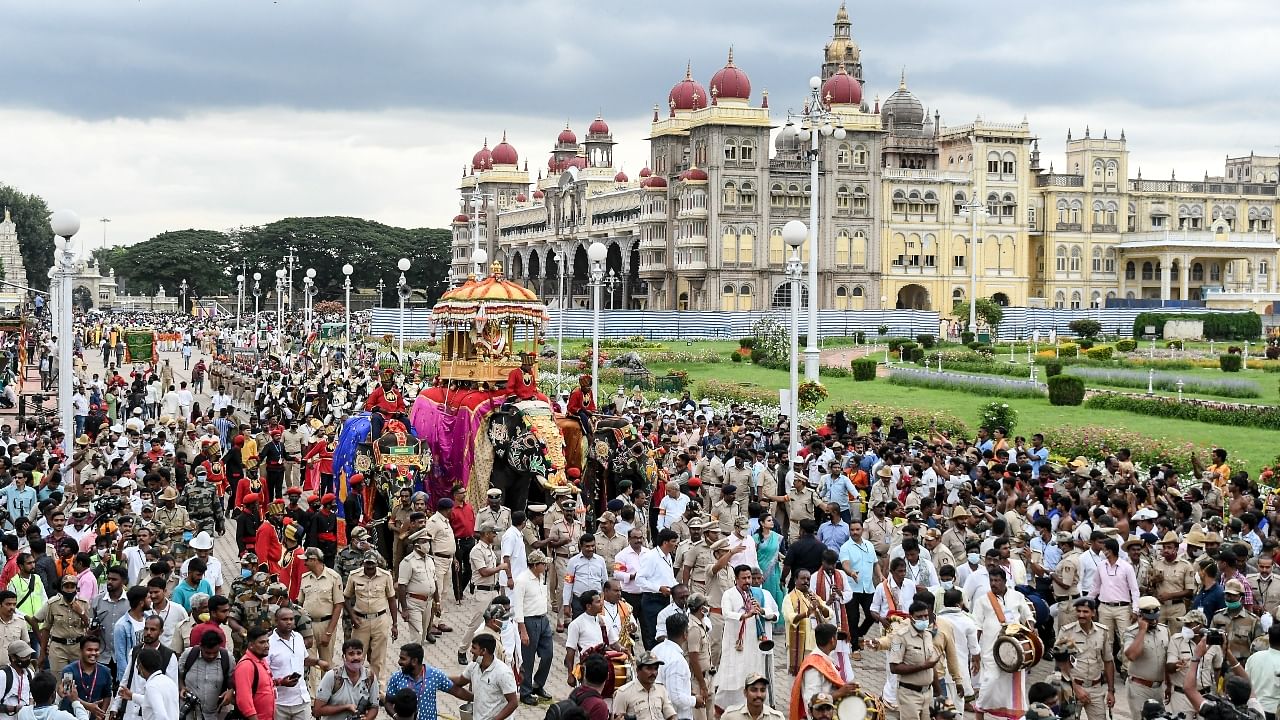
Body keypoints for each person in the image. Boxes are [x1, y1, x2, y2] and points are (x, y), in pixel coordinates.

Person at [715, 565, 778, 712]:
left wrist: (761, 611)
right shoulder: (729, 594)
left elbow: (775, 614)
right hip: (735, 643)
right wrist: (744, 615)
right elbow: (726, 613)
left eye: (749, 577)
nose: (748, 581)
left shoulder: (758, 594)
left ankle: (750, 707)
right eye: (744, 578)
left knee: (750, 674)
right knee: (732, 677)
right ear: (736, 579)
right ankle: (725, 709)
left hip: (753, 645)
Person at [973, 567, 1033, 720]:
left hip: (1015, 648)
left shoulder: (1017, 596)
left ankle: (1013, 716)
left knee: (1014, 683)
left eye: (997, 580)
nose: (993, 584)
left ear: (1005, 581)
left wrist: (1031, 631)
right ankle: (979, 709)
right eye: (991, 580)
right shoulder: (982, 601)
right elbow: (977, 627)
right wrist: (975, 652)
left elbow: (1027, 615)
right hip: (991, 650)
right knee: (990, 680)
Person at [344, 552, 398, 685]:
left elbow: (391, 600)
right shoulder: (354, 576)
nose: (369, 568)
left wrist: (395, 624)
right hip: (360, 621)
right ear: (363, 563)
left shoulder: (385, 576)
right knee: (357, 656)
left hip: (380, 619)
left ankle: (378, 689)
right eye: (367, 565)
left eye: (372, 565)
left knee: (378, 658)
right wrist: (352, 616)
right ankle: (358, 685)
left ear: (376, 564)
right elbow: (345, 598)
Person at [1055, 598, 1114, 720]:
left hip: (1096, 688)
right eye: (1079, 611)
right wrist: (1076, 688)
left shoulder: (1102, 632)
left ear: (1093, 613)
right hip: (1072, 688)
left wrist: (1111, 691)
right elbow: (1059, 664)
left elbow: (1108, 661)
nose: (1081, 615)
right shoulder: (1067, 632)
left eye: (1085, 612)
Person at [789, 623, 858, 720]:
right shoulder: (813, 666)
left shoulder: (823, 658)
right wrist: (840, 692)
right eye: (836, 637)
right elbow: (811, 700)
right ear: (832, 640)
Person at [384, 643, 467, 720]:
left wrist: (476, 698)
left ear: (414, 661)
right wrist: (395, 716)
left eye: (403, 659)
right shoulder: (396, 677)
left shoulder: (434, 675)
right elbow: (388, 702)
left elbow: (456, 690)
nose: (399, 662)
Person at [511, 550, 552, 705]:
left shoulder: (541, 577)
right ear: (535, 565)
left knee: (548, 654)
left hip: (543, 619)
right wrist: (522, 630)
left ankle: (538, 684)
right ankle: (525, 691)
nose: (546, 566)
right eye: (543, 564)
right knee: (528, 659)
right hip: (529, 621)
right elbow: (518, 606)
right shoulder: (522, 580)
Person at [889, 601, 941, 720]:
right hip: (908, 694)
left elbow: (931, 665)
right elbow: (894, 667)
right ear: (911, 618)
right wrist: (923, 666)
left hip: (928, 693)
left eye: (926, 616)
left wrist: (938, 691)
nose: (923, 619)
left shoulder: (928, 635)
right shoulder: (901, 637)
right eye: (919, 617)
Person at [267, 607, 318, 720]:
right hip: (279, 703)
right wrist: (281, 682)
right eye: (284, 619)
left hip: (302, 700)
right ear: (276, 621)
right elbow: (264, 674)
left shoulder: (299, 638)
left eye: (291, 619)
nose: (289, 622)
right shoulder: (268, 643)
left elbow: (304, 659)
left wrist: (319, 662)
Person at [451, 635, 517, 720]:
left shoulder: (503, 673)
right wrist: (440, 677)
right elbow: (460, 681)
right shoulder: (473, 666)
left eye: (474, 648)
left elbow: (513, 703)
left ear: (483, 651)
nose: (471, 651)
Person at [781, 570, 832, 677]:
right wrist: (807, 613)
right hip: (798, 645)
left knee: (814, 679)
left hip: (815, 645)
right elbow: (790, 618)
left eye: (808, 579)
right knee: (797, 680)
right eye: (803, 578)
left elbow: (829, 614)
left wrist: (820, 606)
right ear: (795, 580)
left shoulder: (814, 597)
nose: (806, 581)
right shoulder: (789, 598)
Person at [313, 639, 379, 720]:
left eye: (359, 653)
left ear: (363, 656)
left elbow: (374, 707)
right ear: (344, 657)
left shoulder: (370, 677)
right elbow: (317, 710)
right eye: (351, 654)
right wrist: (346, 707)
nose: (356, 657)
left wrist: (366, 719)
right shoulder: (332, 676)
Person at [177, 631, 233, 720]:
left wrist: (231, 691)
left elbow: (233, 680)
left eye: (215, 653)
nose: (211, 656)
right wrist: (182, 687)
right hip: (189, 714)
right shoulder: (189, 654)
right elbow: (178, 674)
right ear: (201, 646)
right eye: (207, 653)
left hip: (214, 715)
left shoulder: (227, 657)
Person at [653, 615, 696, 720]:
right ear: (685, 634)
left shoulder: (655, 650)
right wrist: (695, 700)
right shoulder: (677, 660)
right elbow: (676, 698)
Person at [611, 651, 677, 720]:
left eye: (656, 668)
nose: (653, 673)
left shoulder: (661, 689)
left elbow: (671, 715)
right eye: (649, 668)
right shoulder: (623, 693)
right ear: (638, 670)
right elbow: (617, 718)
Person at [116, 649, 178, 720]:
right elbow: (151, 702)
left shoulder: (152, 686)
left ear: (140, 666)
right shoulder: (169, 682)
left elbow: (161, 716)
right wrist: (132, 696)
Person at [61, 637, 113, 720]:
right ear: (80, 651)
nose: (93, 653)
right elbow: (68, 694)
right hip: (70, 716)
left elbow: (107, 695)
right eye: (89, 650)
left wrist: (101, 714)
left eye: (96, 650)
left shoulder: (106, 671)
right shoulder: (68, 671)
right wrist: (88, 706)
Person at [231, 628, 274, 720]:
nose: (267, 645)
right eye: (262, 642)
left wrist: (281, 681)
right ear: (251, 645)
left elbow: (262, 685)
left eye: (267, 641)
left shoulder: (261, 660)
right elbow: (244, 700)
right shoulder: (246, 665)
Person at [719, 673, 784, 720]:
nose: (759, 695)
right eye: (754, 690)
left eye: (762, 690)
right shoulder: (730, 716)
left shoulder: (777, 718)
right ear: (745, 693)